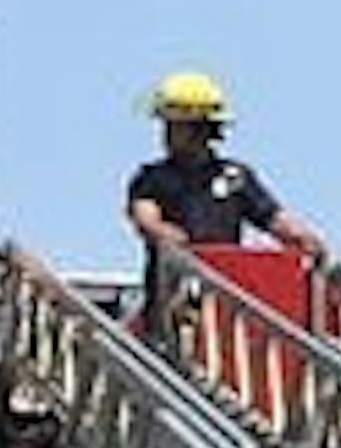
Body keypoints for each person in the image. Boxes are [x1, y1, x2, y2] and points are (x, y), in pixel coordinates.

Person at [123, 70, 325, 334]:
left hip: (225, 302)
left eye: (174, 126)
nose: (166, 135)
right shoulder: (152, 179)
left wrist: (306, 240)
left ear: (200, 129)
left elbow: (274, 219)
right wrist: (169, 237)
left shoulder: (234, 178)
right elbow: (146, 219)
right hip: (171, 306)